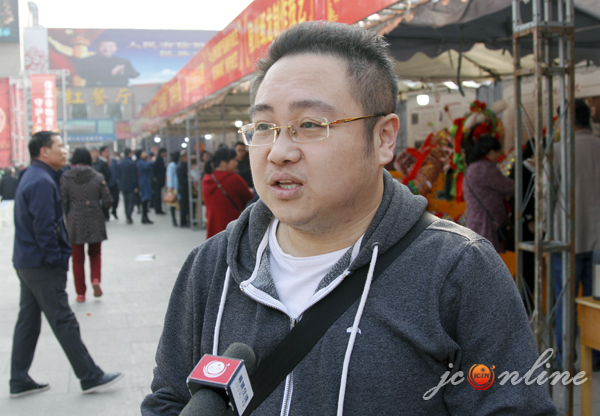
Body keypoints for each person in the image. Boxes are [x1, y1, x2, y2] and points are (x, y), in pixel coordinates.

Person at [141, 22, 556, 415]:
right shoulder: (212, 266)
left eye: (309, 124)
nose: (279, 151)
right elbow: (169, 400)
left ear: (383, 138)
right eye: (264, 125)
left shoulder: (459, 272)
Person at [10, 131, 123, 399]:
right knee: (63, 320)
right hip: (41, 264)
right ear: (44, 151)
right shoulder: (41, 181)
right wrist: (57, 259)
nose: (64, 151)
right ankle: (89, 375)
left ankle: (19, 379)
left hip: (27, 261)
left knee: (28, 322)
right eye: (59, 146)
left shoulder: (34, 175)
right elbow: (44, 228)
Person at [553, 99, 600, 370]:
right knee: (597, 301)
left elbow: (546, 194)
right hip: (598, 242)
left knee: (564, 303)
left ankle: (565, 359)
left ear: (567, 121)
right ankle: (596, 356)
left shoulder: (559, 151)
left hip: (566, 238)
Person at [60, 148, 113, 302]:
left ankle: (81, 293)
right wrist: (102, 211)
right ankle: (95, 279)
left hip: (75, 220)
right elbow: (108, 199)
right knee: (95, 253)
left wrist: (68, 215)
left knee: (77, 259)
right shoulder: (97, 176)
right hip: (95, 217)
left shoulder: (66, 178)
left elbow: (63, 201)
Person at [463, 135, 515, 253]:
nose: (500, 155)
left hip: (476, 221)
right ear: (491, 152)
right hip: (486, 224)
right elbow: (508, 187)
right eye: (498, 152)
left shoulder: (473, 167)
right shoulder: (485, 168)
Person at [202, 147, 254, 239]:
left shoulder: (206, 179)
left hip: (212, 225)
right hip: (232, 226)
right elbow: (249, 198)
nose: (236, 163)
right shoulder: (234, 178)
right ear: (223, 162)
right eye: (233, 160)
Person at [75, 39, 140, 86]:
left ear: (116, 48)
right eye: (103, 46)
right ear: (96, 47)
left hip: (121, 91)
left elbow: (135, 74)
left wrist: (122, 72)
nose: (107, 49)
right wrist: (112, 73)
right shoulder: (86, 61)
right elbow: (84, 75)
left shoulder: (123, 61)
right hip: (96, 91)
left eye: (111, 46)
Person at [118, 148, 138, 224]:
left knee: (126, 202)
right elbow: (134, 176)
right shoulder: (131, 163)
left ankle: (127, 216)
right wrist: (135, 186)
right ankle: (129, 216)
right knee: (131, 202)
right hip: (131, 185)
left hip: (123, 185)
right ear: (130, 153)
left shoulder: (121, 163)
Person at [91, 147, 111, 221]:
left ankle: (105, 214)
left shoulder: (102, 163)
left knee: (103, 201)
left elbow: (108, 174)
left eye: (96, 152)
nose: (94, 154)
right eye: (93, 152)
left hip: (101, 185)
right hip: (91, 187)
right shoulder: (89, 163)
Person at [101, 146, 120, 220]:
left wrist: (117, 179)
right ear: (102, 152)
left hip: (113, 183)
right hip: (104, 184)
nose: (108, 152)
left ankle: (114, 211)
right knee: (105, 200)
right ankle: (106, 214)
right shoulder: (100, 161)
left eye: (108, 151)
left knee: (115, 199)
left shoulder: (113, 160)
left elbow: (117, 170)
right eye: (106, 151)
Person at [136, 149, 154, 225]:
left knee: (146, 200)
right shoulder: (140, 162)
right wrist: (152, 161)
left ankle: (145, 217)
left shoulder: (143, 161)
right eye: (143, 153)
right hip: (144, 182)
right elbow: (146, 166)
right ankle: (144, 217)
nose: (145, 153)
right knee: (144, 200)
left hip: (146, 182)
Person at [176, 150, 190, 228]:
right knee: (183, 206)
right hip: (183, 189)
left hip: (185, 188)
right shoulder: (180, 167)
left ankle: (185, 220)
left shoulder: (184, 165)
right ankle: (183, 221)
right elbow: (181, 180)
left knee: (186, 206)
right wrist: (190, 179)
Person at [166, 151, 180, 227]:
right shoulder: (172, 165)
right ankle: (174, 219)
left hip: (176, 186)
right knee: (173, 204)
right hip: (173, 187)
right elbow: (170, 176)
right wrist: (170, 186)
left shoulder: (176, 164)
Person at [152, 147, 167, 215]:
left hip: (158, 180)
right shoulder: (159, 159)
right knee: (158, 195)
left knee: (158, 195)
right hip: (158, 180)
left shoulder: (159, 158)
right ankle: (158, 208)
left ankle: (158, 208)